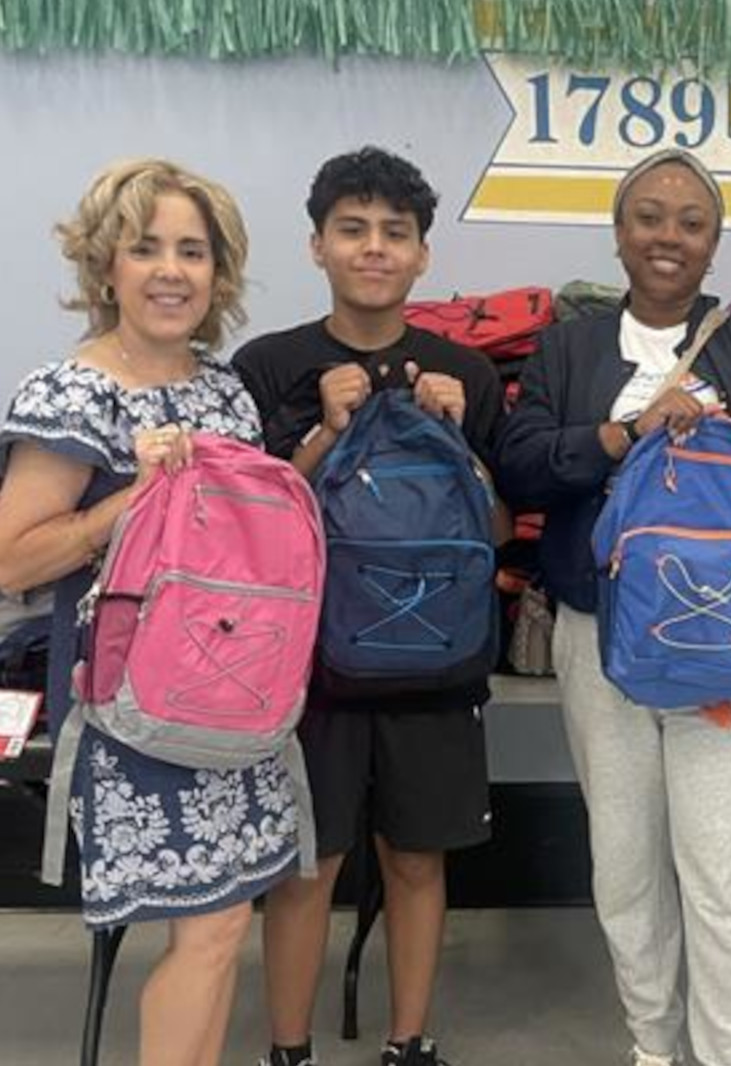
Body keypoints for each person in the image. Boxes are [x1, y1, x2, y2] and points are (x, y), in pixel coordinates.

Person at [493, 147, 731, 1066]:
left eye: (691, 222)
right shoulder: (568, 348)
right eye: (648, 217)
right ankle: (652, 1046)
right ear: (618, 233)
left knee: (724, 875)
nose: (668, 236)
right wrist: (625, 432)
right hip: (598, 641)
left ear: (715, 244)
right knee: (626, 866)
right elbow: (521, 467)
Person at [0, 158, 293, 1066]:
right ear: (105, 265)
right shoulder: (69, 393)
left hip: (232, 691)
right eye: (146, 248)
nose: (171, 270)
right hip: (128, 705)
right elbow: (14, 560)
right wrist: (135, 498)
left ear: (218, 272)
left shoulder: (226, 392)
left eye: (193, 251)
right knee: (207, 927)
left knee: (225, 920)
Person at [233, 146, 507, 1066]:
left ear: (424, 254)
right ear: (318, 245)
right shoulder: (269, 366)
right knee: (307, 865)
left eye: (396, 232)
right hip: (309, 670)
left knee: (418, 859)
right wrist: (322, 432)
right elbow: (246, 527)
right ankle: (288, 1051)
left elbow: (497, 528)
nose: (375, 248)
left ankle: (408, 1044)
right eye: (353, 229)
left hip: (438, 663)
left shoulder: (465, 371)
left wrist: (457, 438)